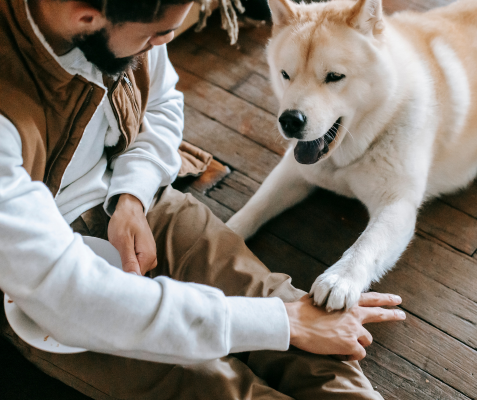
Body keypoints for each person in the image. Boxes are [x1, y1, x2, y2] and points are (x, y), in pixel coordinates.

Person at [0, 0, 405, 399]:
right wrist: (280, 322)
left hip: (140, 202)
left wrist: (132, 195)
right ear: (85, 19)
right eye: (156, 35)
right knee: (215, 385)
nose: (165, 43)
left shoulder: (129, 23)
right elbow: (70, 296)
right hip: (25, 282)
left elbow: (161, 103)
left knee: (296, 319)